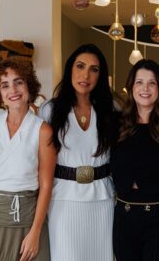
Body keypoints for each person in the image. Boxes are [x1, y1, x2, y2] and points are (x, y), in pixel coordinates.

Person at [0, 57, 56, 261]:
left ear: (28, 86)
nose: (13, 90)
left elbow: (46, 185)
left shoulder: (42, 130)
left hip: (26, 223)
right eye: (5, 85)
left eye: (19, 82)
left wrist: (35, 233)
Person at [38, 44, 117, 261]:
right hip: (63, 200)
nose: (86, 75)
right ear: (69, 69)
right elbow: (34, 157)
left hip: (102, 199)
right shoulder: (50, 110)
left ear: (101, 75)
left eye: (94, 69)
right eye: (80, 66)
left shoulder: (112, 109)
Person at [110, 59, 159, 261]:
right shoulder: (115, 122)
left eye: (152, 83)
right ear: (131, 86)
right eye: (139, 82)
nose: (145, 88)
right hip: (126, 220)